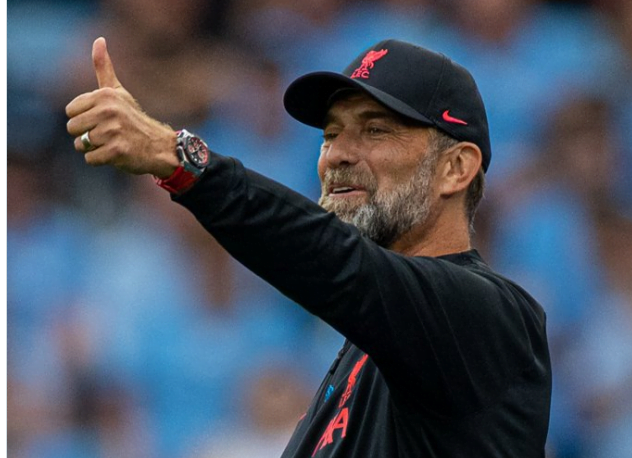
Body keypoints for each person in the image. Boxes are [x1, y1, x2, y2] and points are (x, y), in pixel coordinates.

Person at [66, 37, 551, 457]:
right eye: (331, 134)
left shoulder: (488, 318)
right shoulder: (369, 345)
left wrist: (177, 159)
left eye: (375, 130)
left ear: (456, 168)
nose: (337, 154)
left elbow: (335, 259)